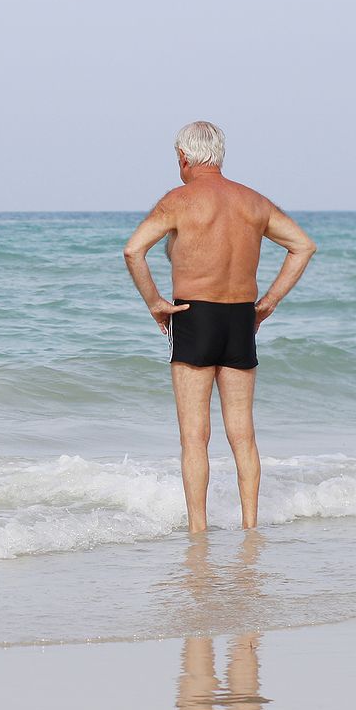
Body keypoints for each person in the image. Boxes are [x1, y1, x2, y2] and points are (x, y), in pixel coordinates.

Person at [123, 122, 316, 532]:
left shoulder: (178, 201)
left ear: (184, 158)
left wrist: (156, 303)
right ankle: (250, 527)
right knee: (242, 433)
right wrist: (268, 303)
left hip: (193, 316)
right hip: (240, 317)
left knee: (195, 437)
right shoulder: (253, 201)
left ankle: (199, 531)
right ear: (219, 156)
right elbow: (302, 246)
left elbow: (133, 250)